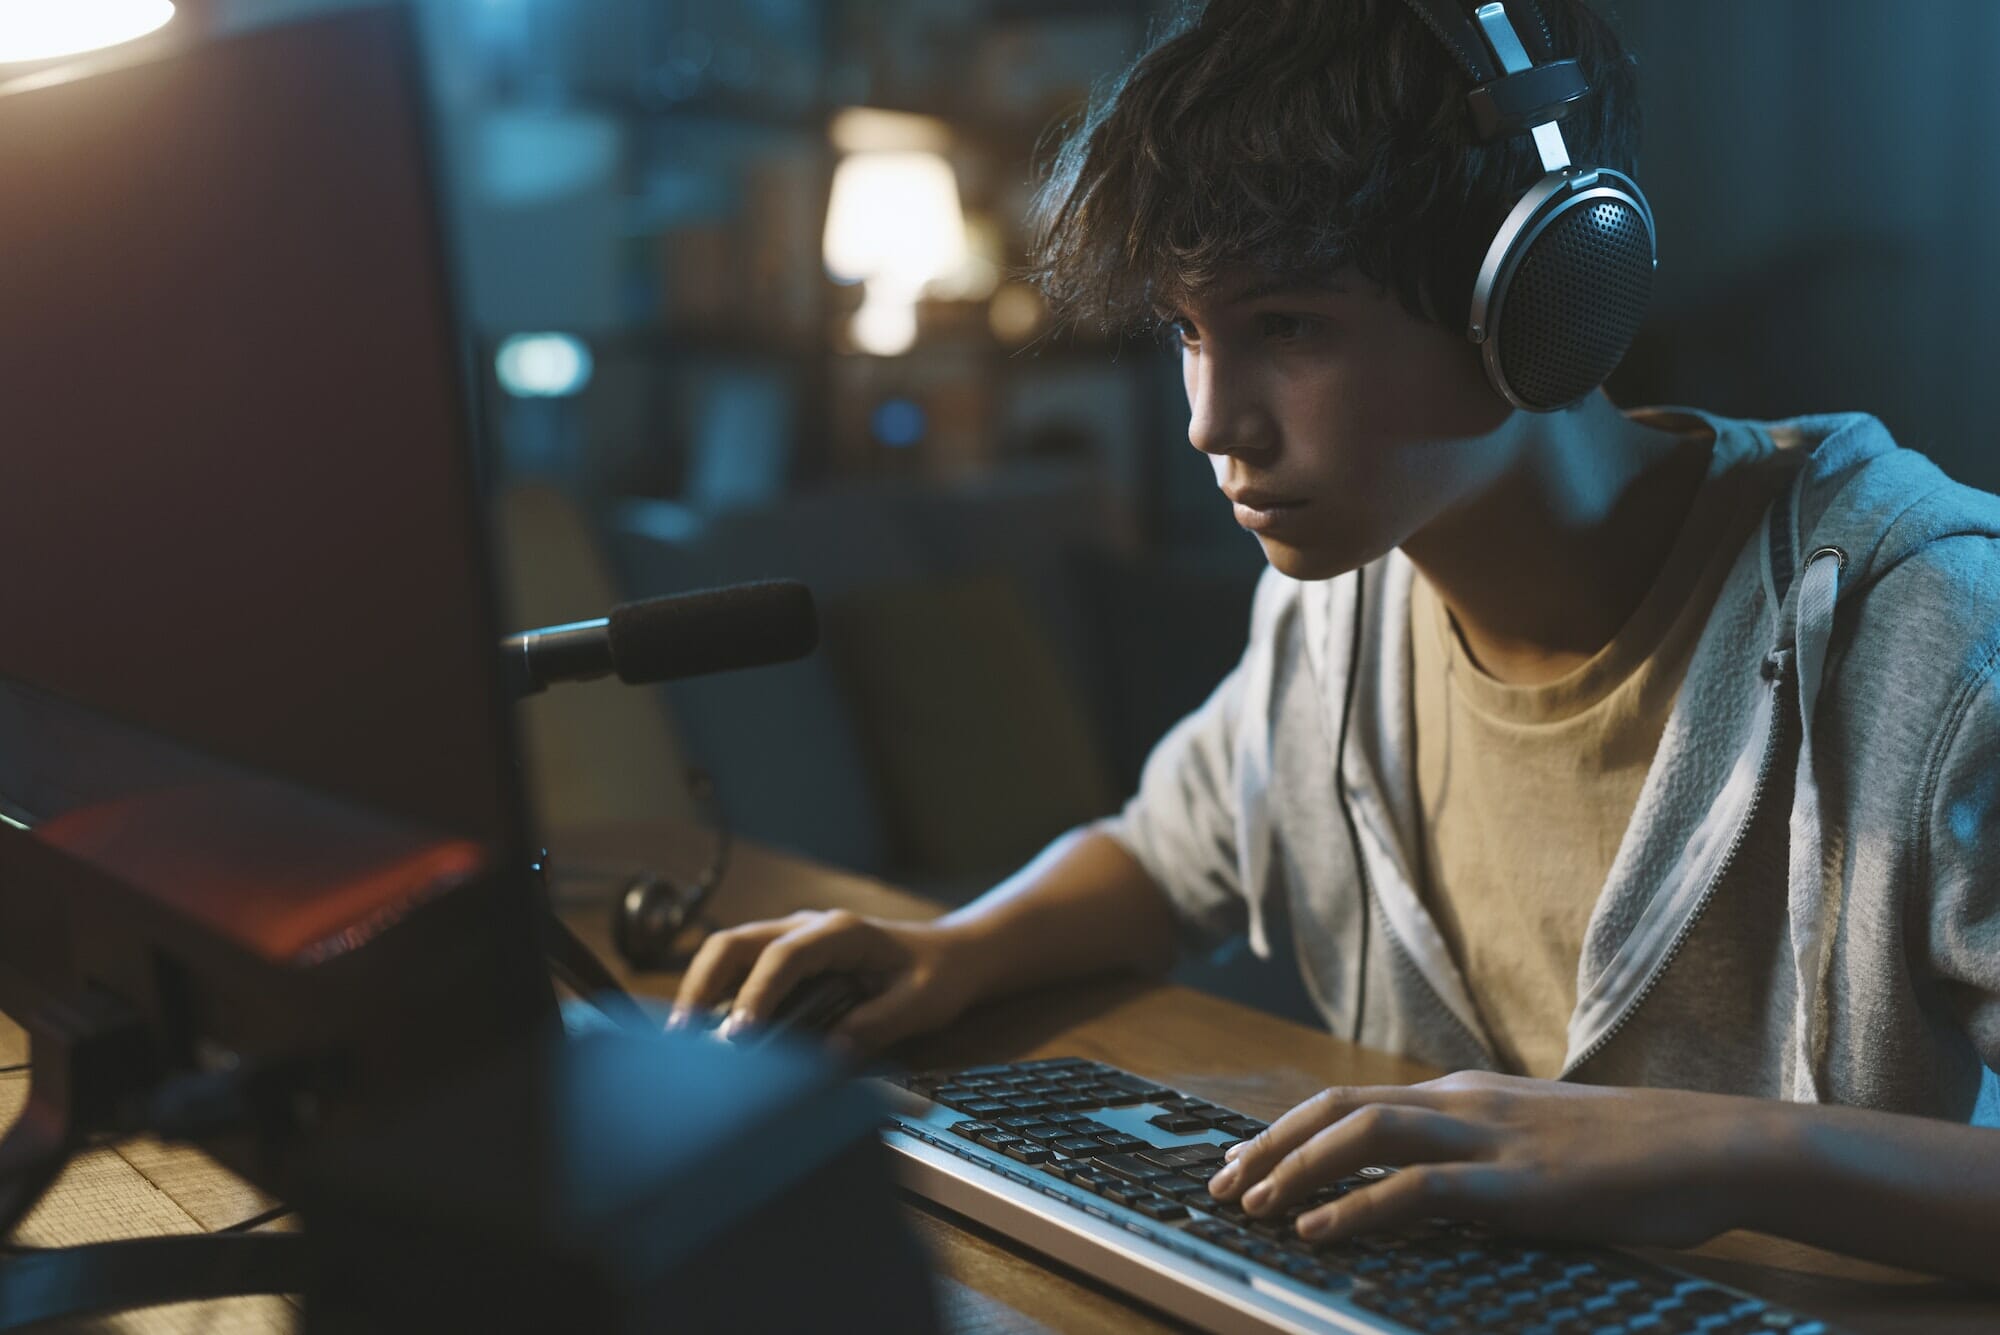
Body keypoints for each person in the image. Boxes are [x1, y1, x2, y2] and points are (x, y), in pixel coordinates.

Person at [670, 0, 2000, 1280]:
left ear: (1545, 295)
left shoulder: (1928, 633)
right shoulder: (1340, 602)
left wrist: (1741, 1153)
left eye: (1288, 328)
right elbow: (1165, 853)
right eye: (1190, 333)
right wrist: (954, 951)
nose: (1210, 421)